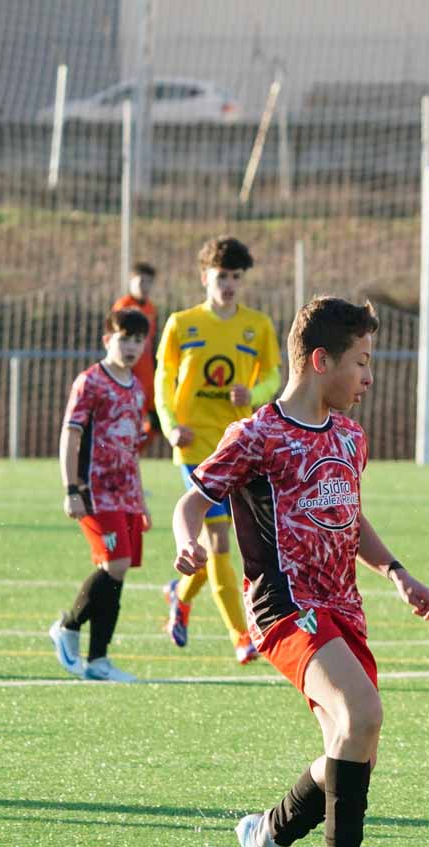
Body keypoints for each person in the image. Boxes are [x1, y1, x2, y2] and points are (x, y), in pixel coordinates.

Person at [169, 296, 429, 847]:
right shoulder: (257, 434)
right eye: (362, 361)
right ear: (321, 361)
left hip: (343, 608)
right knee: (364, 715)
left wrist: (399, 573)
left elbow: (350, 515)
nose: (369, 376)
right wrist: (187, 540)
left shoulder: (350, 436)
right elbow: (195, 496)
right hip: (285, 609)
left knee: (354, 756)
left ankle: (265, 833)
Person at [155, 236, 281, 663]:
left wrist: (255, 390)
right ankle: (241, 636)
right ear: (205, 276)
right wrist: (171, 426)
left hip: (236, 445)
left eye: (236, 277)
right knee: (221, 543)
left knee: (214, 546)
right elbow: (162, 381)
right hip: (193, 447)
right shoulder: (181, 323)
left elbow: (274, 379)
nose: (228, 284)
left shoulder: (257, 326)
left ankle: (180, 596)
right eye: (222, 275)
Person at [48, 307, 153, 683]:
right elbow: (71, 433)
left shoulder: (137, 389)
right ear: (108, 339)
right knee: (116, 563)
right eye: (125, 338)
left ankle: (97, 661)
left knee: (118, 571)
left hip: (125, 493)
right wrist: (71, 488)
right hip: (95, 490)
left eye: (138, 340)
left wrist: (141, 500)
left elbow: (131, 448)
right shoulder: (90, 382)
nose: (131, 346)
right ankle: (69, 626)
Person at [112, 262, 160, 440]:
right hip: (131, 373)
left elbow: (152, 340)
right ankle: (125, 454)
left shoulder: (151, 308)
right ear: (131, 282)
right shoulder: (123, 306)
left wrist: (156, 367)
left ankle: (133, 454)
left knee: (156, 423)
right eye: (141, 282)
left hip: (148, 373)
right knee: (130, 419)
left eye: (149, 283)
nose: (145, 287)